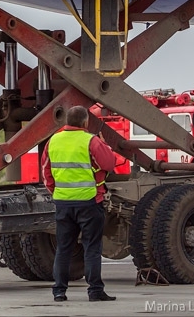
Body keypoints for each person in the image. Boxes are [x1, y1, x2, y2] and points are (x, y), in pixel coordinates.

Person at [42, 105, 117, 303]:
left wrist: (56, 192)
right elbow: (110, 163)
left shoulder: (53, 141)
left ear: (67, 121)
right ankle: (95, 291)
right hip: (89, 202)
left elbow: (46, 173)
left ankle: (59, 291)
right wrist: (105, 146)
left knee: (63, 248)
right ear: (85, 122)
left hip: (63, 203)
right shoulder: (90, 140)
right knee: (91, 248)